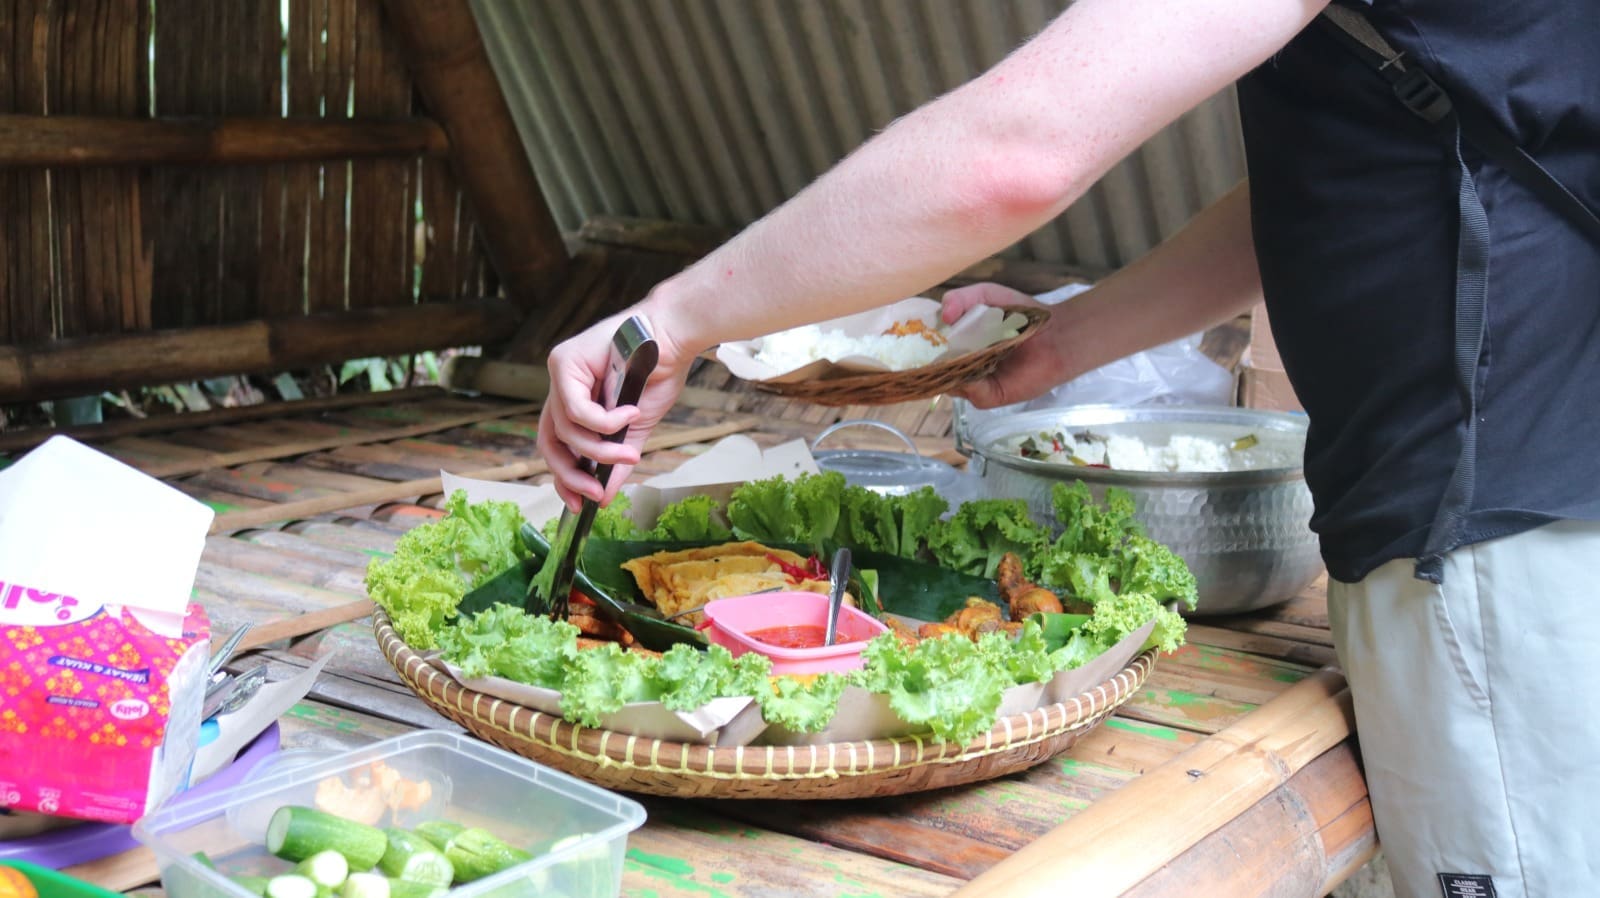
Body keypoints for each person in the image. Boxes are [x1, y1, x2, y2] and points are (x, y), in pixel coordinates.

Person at [537, 1, 1598, 896]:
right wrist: (1060, 344)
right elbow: (1335, 179)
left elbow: (1012, 154)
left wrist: (668, 319)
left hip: (1507, 532)